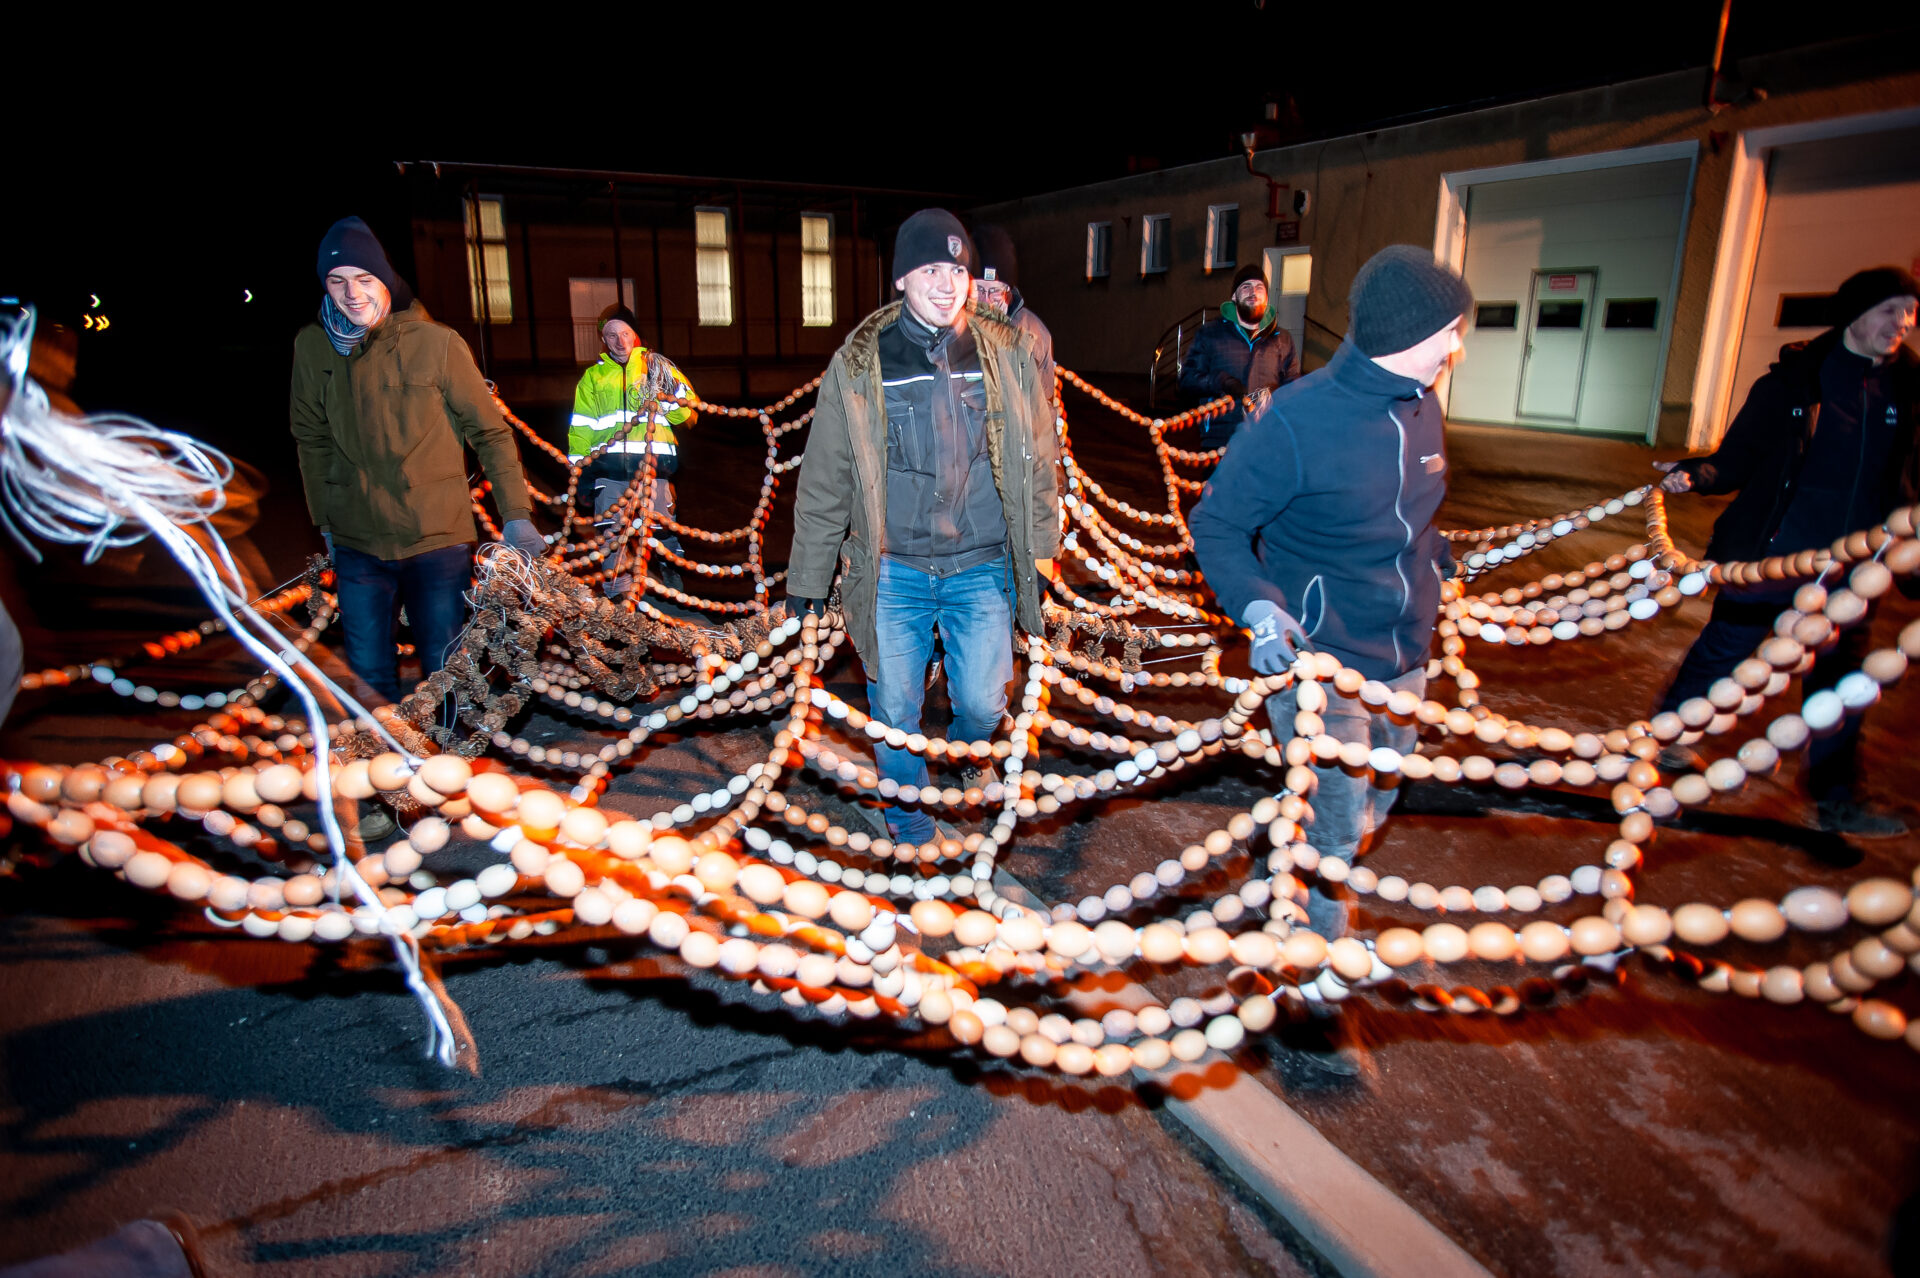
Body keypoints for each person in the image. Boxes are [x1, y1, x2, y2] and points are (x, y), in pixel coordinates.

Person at [1189, 244, 1471, 1076]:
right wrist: (1260, 606)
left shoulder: (1423, 408)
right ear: (1402, 333)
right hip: (1316, 660)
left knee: (1375, 802)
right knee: (1338, 828)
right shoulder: (1297, 420)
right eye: (1447, 334)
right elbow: (1216, 526)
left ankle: (1293, 861)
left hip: (1405, 655)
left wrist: (1436, 557)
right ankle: (1312, 1000)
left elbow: (1406, 514)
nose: (1456, 349)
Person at [786, 209, 1060, 848]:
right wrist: (808, 576)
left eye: (958, 270)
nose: (948, 284)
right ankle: (906, 815)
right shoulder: (861, 364)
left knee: (986, 703)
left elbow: (1037, 464)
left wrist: (1040, 556)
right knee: (895, 709)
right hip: (894, 567)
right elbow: (826, 478)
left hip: (984, 562)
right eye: (931, 269)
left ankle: (969, 757)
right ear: (902, 279)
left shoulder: (1009, 356)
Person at [1653, 267, 1920, 838]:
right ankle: (1669, 738)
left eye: (1909, 311)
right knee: (1725, 652)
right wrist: (1696, 476)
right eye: (1889, 309)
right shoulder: (1796, 381)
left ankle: (1837, 797)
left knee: (1844, 681)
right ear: (1854, 313)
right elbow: (1738, 456)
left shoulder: (1908, 389)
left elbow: (1909, 481)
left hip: (1855, 569)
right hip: (1775, 554)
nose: (1901, 323)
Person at [290, 216, 546, 721]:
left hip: (436, 539)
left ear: (385, 280)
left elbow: (490, 433)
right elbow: (310, 438)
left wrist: (516, 513)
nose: (352, 293)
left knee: (446, 670)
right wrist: (325, 522)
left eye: (364, 279)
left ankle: (448, 774)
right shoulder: (312, 347)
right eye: (337, 281)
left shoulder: (437, 343)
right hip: (358, 542)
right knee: (367, 673)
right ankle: (381, 780)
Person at [567, 304, 696, 595]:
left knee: (661, 529)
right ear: (603, 339)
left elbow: (686, 414)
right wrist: (580, 472)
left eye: (625, 332)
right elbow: (581, 427)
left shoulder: (656, 366)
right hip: (609, 472)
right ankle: (619, 599)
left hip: (654, 469)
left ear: (635, 335)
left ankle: (669, 565)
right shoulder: (593, 378)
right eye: (611, 334)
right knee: (612, 536)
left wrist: (666, 392)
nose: (620, 341)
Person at [1178, 262, 1299, 443]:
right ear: (1234, 296)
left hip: (1265, 437)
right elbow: (1187, 381)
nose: (1253, 292)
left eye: (1259, 288)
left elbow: (1293, 388)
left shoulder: (1282, 339)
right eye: (1246, 287)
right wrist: (1220, 381)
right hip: (1220, 438)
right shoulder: (1211, 334)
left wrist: (1275, 404)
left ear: (1266, 297)